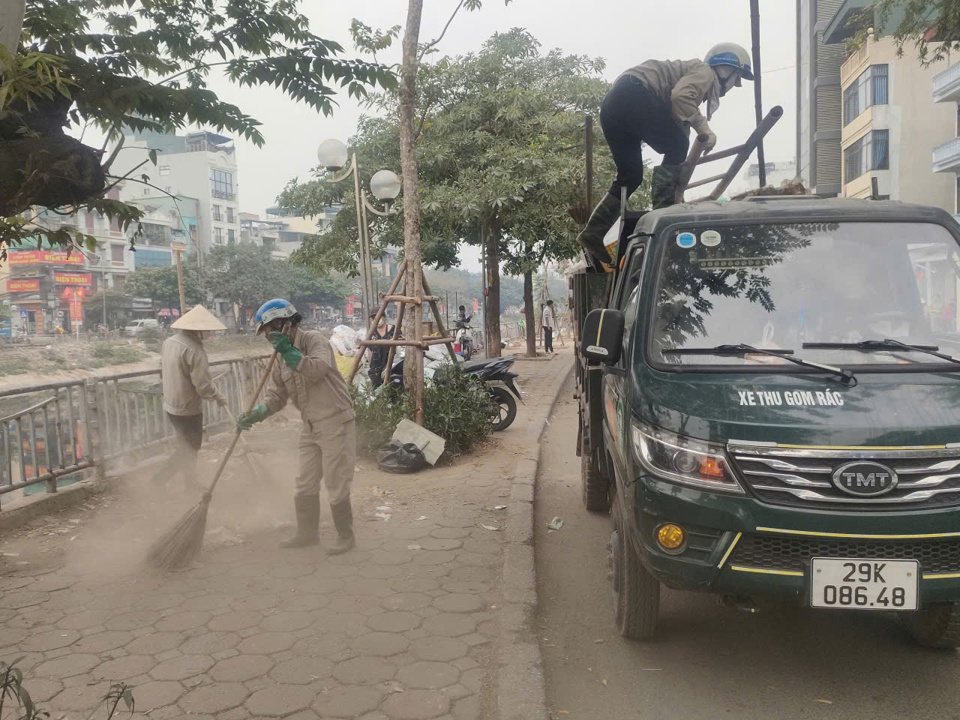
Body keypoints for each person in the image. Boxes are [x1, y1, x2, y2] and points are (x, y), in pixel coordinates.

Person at [577, 43, 753, 267]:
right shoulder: (705, 72)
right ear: (726, 69)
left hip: (614, 105)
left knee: (631, 175)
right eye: (737, 77)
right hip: (635, 94)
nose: (734, 86)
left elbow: (677, 115)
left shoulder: (689, 75)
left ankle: (594, 231)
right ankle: (664, 215)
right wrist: (704, 129)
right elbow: (680, 98)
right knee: (678, 145)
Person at [236, 299, 357, 554]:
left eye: (270, 330)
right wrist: (257, 414)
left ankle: (346, 536)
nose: (268, 337)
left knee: (336, 482)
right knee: (304, 481)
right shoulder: (280, 360)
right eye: (266, 334)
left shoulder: (314, 340)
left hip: (335, 420)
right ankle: (307, 533)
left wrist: (290, 353)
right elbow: (277, 397)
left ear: (285, 323)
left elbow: (317, 369)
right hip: (310, 425)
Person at [152, 305, 228, 489]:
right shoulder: (195, 350)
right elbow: (202, 386)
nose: (208, 332)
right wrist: (218, 396)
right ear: (199, 329)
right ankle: (158, 481)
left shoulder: (169, 342)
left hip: (171, 404)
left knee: (186, 446)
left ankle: (190, 483)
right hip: (188, 408)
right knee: (190, 448)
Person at [368, 312, 393, 388]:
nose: (376, 320)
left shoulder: (393, 329)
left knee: (391, 386)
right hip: (376, 364)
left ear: (384, 317)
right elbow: (370, 347)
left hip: (392, 362)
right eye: (373, 318)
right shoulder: (372, 332)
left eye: (379, 317)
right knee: (377, 388)